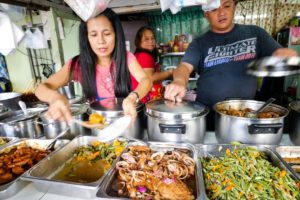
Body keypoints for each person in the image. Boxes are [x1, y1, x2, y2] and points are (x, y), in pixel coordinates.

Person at [164, 0, 297, 130]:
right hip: (208, 115)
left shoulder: (255, 33)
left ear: (234, 6)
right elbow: (184, 67)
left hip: (245, 114)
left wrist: (284, 54)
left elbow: (278, 52)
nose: (221, 13)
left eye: (227, 5)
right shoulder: (199, 43)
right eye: (214, 8)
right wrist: (180, 80)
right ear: (206, 14)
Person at [35, 8, 152, 123]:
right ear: (87, 37)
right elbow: (41, 88)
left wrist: (132, 97)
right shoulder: (78, 64)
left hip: (126, 121)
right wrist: (55, 98)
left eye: (106, 34)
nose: (101, 41)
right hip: (97, 125)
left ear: (116, 34)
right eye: (94, 35)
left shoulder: (126, 57)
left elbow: (146, 80)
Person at [133, 26, 173, 102]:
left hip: (142, 99)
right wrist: (170, 72)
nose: (151, 41)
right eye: (146, 39)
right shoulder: (144, 56)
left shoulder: (139, 55)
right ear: (139, 42)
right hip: (146, 100)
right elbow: (150, 78)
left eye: (152, 38)